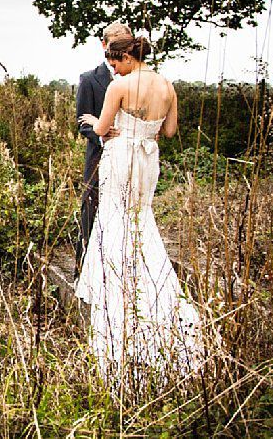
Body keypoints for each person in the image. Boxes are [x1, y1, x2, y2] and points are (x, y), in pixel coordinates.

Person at [76, 35, 202, 380]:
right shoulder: (167, 86)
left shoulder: (120, 86)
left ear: (129, 58)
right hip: (148, 159)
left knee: (115, 216)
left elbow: (103, 129)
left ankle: (117, 284)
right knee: (141, 217)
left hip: (121, 159)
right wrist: (147, 130)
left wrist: (91, 121)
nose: (114, 68)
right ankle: (153, 281)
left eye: (116, 62)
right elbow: (170, 131)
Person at [75, 22, 133, 274]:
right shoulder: (90, 79)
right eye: (115, 45)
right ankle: (83, 272)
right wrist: (101, 134)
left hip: (130, 159)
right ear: (104, 45)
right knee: (91, 212)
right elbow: (82, 121)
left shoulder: (139, 80)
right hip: (99, 158)